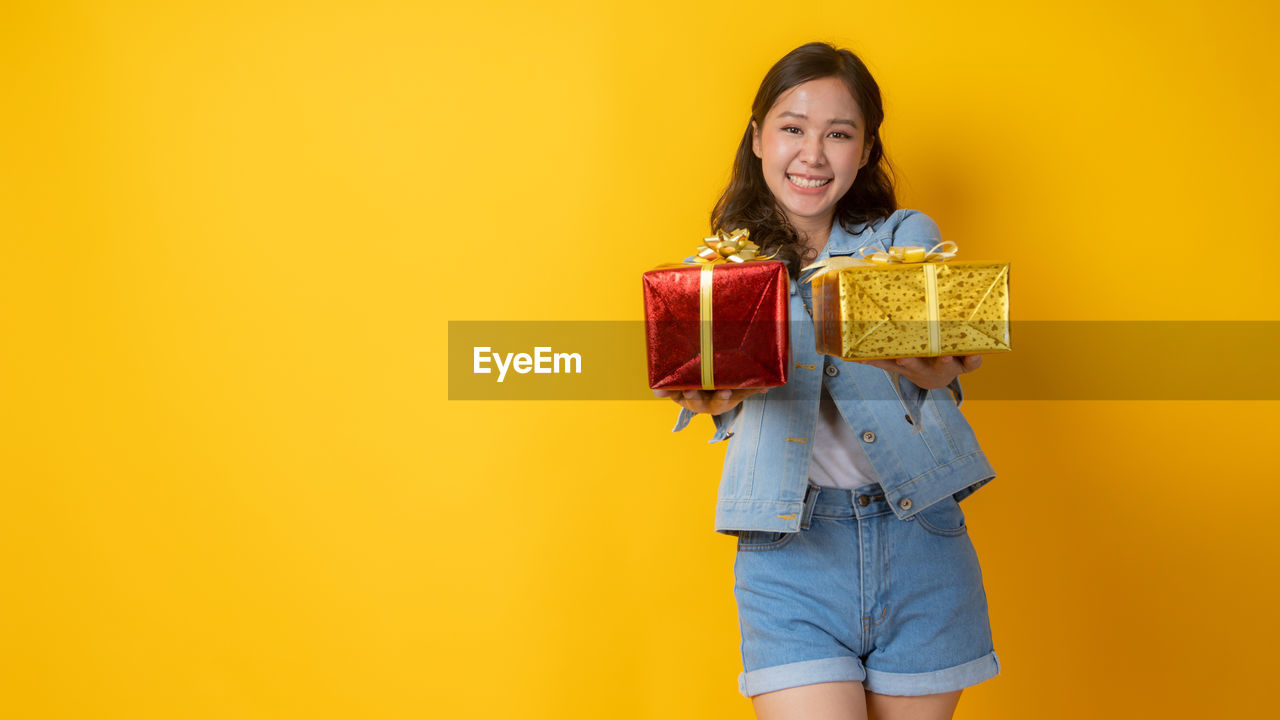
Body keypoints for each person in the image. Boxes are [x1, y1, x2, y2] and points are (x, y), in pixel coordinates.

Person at [653, 42, 999, 720]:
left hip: (919, 541)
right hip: (790, 555)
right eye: (792, 128)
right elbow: (717, 394)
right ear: (758, 138)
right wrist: (705, 397)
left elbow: (936, 352)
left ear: (865, 150)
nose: (813, 154)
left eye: (838, 134)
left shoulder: (905, 236)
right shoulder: (725, 269)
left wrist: (934, 366)